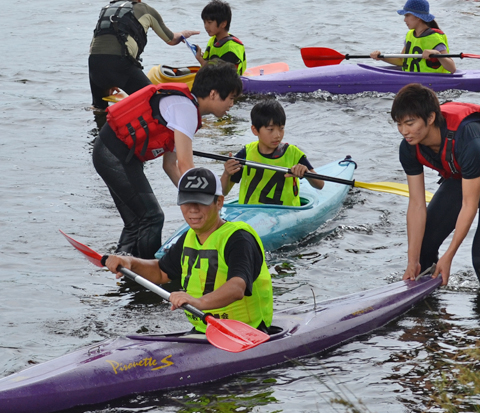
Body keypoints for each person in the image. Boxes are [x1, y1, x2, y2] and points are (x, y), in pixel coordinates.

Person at [92, 61, 244, 259]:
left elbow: (170, 165)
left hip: (113, 154)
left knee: (136, 222)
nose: (232, 104)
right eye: (231, 98)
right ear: (214, 94)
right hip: (113, 155)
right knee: (152, 217)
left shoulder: (185, 108)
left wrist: (192, 200)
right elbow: (186, 166)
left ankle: (123, 264)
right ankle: (151, 272)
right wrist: (208, 202)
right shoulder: (186, 109)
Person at [104, 167, 273, 333]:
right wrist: (131, 262)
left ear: (219, 202)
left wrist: (198, 302)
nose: (193, 209)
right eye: (186, 201)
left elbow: (237, 287)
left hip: (248, 332)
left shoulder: (239, 238)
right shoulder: (189, 237)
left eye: (201, 202)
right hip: (205, 329)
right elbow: (161, 272)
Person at [391, 83, 480, 290]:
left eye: (409, 123)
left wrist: (448, 256)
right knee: (424, 247)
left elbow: (469, 205)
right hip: (461, 174)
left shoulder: (467, 137)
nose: (404, 132)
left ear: (431, 118)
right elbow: (417, 204)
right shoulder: (408, 148)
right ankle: (428, 313)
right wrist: (412, 261)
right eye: (399, 124)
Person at [88, 0, 199, 110]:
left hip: (95, 65)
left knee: (99, 109)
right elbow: (171, 39)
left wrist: (110, 78)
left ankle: (99, 128)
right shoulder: (145, 9)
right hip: (121, 65)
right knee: (154, 102)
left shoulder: (106, 9)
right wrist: (183, 34)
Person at [220, 99, 324, 206]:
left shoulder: (294, 154)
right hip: (249, 214)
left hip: (287, 214)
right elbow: (223, 191)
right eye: (270, 129)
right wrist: (226, 174)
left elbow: (320, 184)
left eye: (281, 128)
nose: (277, 135)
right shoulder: (246, 153)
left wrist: (306, 173)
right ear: (255, 130)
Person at [370, 0, 456, 75]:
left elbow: (452, 68)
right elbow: (401, 60)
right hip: (411, 79)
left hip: (431, 82)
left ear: (418, 17)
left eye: (407, 15)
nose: (404, 20)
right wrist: (381, 57)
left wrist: (437, 53)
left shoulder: (435, 37)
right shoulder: (410, 34)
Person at [193, 0, 247, 76]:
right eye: (204, 22)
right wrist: (202, 56)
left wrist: (200, 60)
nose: (206, 26)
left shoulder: (231, 48)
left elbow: (221, 77)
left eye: (209, 22)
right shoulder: (213, 40)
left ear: (223, 24)